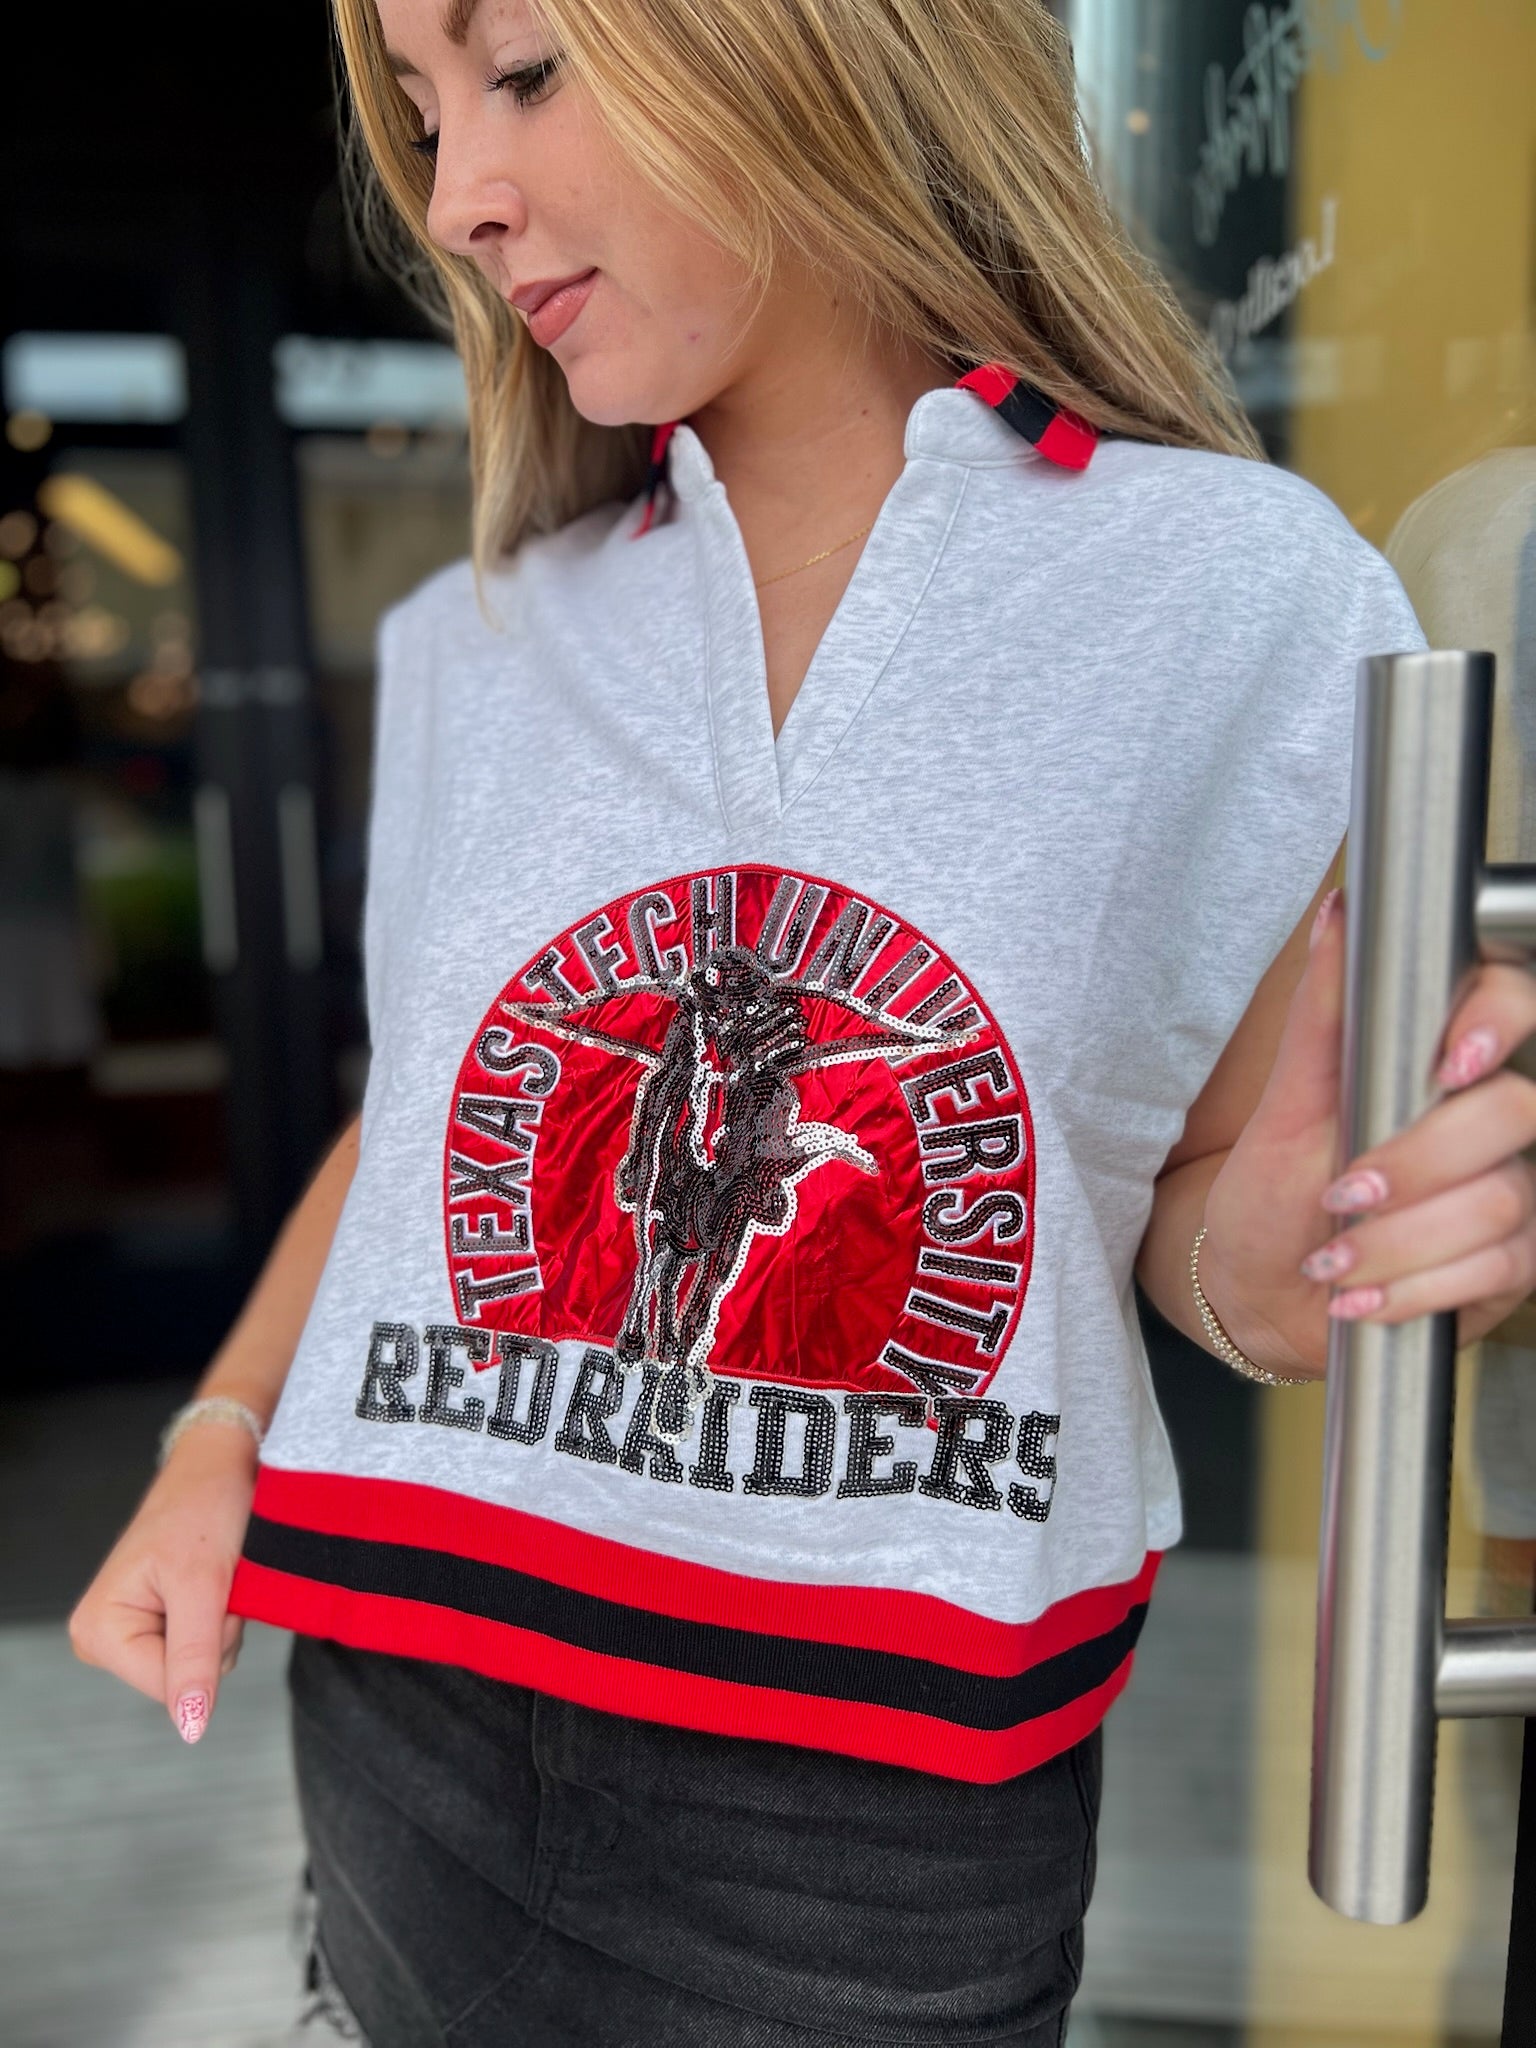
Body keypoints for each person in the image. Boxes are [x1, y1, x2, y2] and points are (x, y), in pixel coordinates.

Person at [68, 1, 1536, 2042]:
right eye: (418, 114)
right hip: (405, 1696)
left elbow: (1204, 1221)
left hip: (873, 1811)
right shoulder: (486, 630)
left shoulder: (1233, 601)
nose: (459, 199)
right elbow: (417, 1113)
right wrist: (216, 1430)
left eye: (523, 73)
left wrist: (1312, 1256)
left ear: (804, 39)